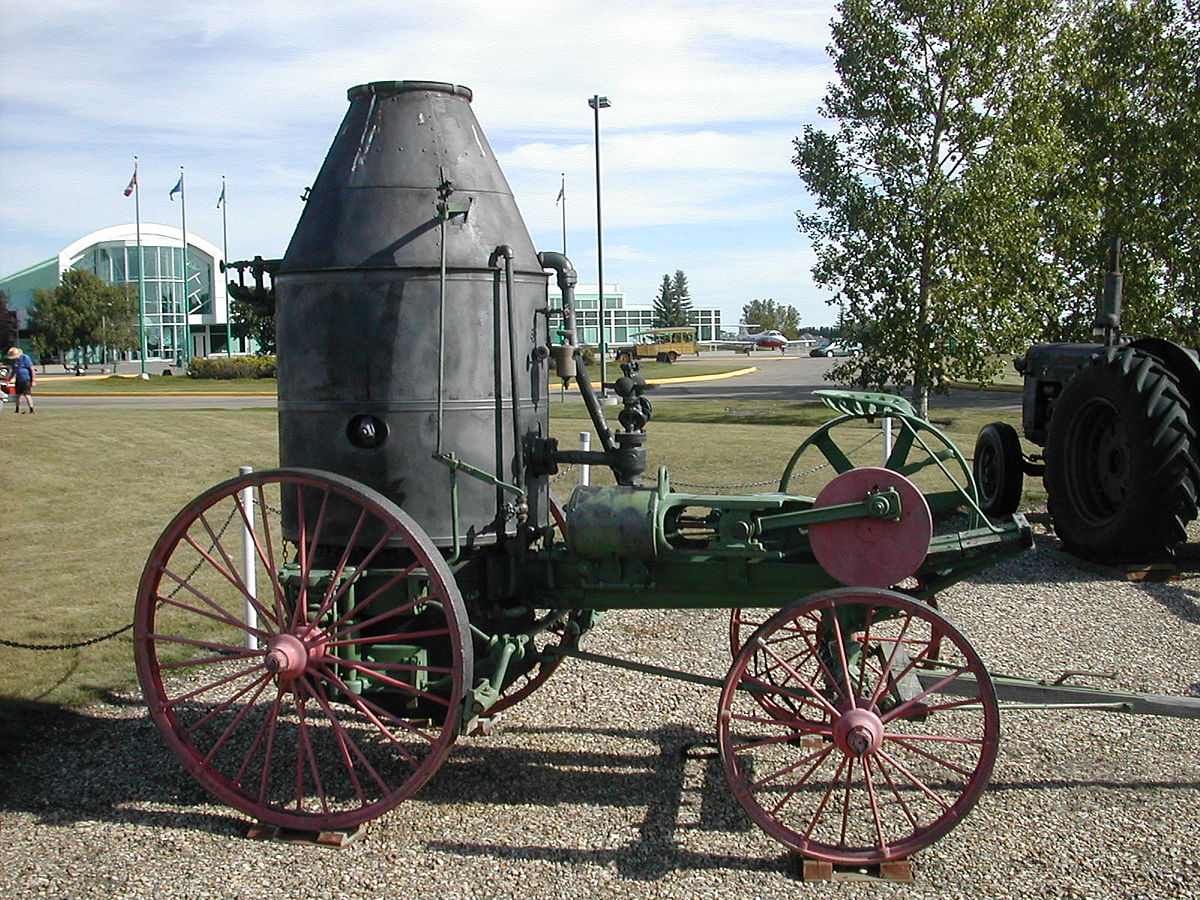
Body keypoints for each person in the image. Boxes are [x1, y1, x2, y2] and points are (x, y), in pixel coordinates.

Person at [6, 347, 34, 414]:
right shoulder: (14, 361)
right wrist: (9, 380)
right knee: (17, 395)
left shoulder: (25, 358)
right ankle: (17, 409)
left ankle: (31, 409)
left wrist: (33, 380)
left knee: (27, 395)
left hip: (26, 379)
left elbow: (32, 369)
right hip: (18, 379)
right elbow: (13, 371)